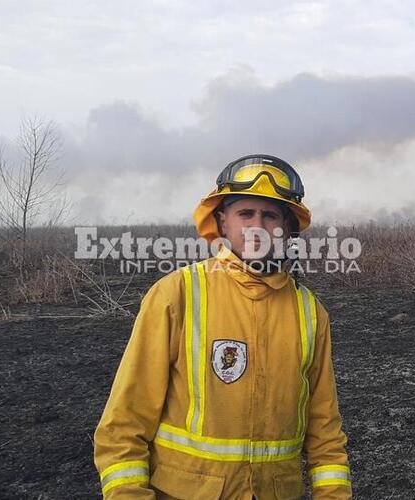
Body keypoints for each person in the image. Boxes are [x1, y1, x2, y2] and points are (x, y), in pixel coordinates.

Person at [94, 154, 352, 499]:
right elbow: (123, 426)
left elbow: (325, 433)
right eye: (245, 213)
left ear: (287, 229)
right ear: (222, 222)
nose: (257, 226)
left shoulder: (310, 312)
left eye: (270, 215)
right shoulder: (177, 295)